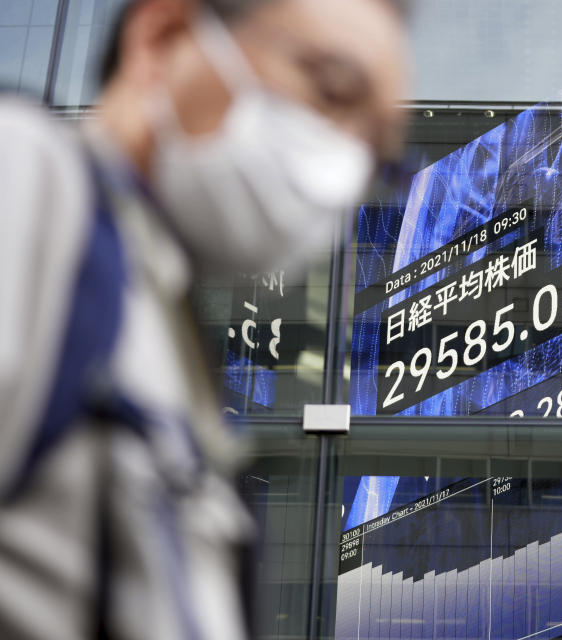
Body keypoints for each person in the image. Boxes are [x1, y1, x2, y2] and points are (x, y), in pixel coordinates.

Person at [0, 0, 407, 638]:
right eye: (330, 89)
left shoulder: (160, 321)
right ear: (162, 40)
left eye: (373, 151)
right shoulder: (28, 179)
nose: (343, 169)